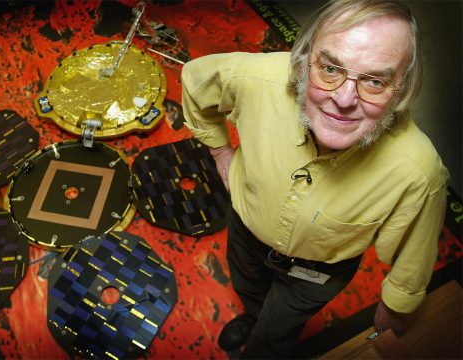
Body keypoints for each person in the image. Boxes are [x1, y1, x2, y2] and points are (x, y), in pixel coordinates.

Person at [181, 0, 449, 358]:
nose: (343, 99)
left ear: (401, 90)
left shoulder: (418, 171)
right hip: (246, 232)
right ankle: (254, 317)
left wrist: (397, 305)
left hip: (318, 273)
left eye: (375, 80)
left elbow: (415, 250)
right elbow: (196, 81)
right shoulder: (256, 80)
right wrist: (220, 151)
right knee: (248, 289)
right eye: (330, 67)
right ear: (303, 59)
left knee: (277, 334)